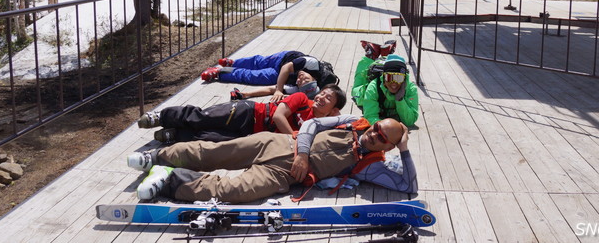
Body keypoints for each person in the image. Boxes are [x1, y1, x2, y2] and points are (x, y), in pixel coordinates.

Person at [127, 115, 417, 203]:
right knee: (215, 153)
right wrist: (302, 153)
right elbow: (311, 124)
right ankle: (157, 156)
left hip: (284, 175)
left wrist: (404, 149)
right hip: (278, 143)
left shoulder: (372, 166)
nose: (374, 135)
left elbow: (408, 187)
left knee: (235, 191)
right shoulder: (355, 122)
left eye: (381, 137)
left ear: (388, 146)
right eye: (377, 128)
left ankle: (169, 180)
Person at [137, 84, 346, 143]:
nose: (320, 98)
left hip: (251, 134)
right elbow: (278, 117)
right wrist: (294, 137)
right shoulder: (302, 100)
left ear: (334, 110)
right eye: (322, 93)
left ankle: (174, 135)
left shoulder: (321, 127)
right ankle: (162, 116)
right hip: (250, 113)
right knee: (205, 117)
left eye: (328, 98)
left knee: (212, 139)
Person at [200, 51, 339, 103]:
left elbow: (270, 90)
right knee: (258, 62)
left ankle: (219, 72)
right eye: (305, 79)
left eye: (300, 82)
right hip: (284, 59)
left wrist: (246, 94)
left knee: (254, 77)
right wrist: (280, 89)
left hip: (280, 75)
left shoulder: (300, 89)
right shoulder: (313, 64)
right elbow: (286, 68)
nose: (301, 77)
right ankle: (233, 62)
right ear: (314, 79)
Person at [351, 54, 419, 127]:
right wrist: (386, 128)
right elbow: (370, 116)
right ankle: (368, 57)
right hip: (363, 94)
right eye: (389, 78)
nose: (394, 83)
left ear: (404, 79)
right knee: (356, 89)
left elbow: (410, 121)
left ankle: (383, 54)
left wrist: (400, 100)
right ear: (383, 78)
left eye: (398, 78)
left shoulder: (411, 89)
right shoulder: (373, 87)